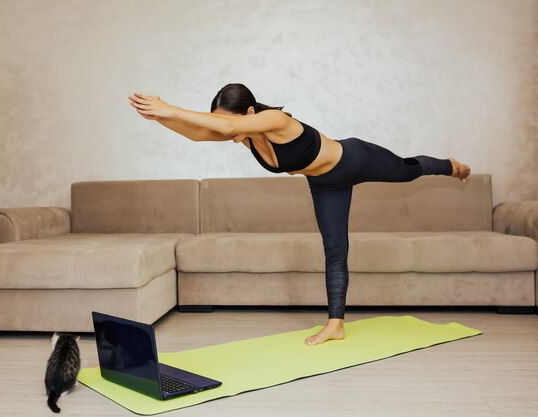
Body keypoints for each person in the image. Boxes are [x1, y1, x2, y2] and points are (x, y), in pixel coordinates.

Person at [128, 83, 471, 346]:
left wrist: (170, 107)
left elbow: (220, 128)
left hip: (353, 158)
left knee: (407, 171)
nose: (224, 130)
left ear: (249, 112)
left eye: (227, 122)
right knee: (335, 249)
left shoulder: (276, 120)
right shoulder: (246, 135)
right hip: (325, 184)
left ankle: (450, 166)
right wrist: (161, 118)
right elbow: (199, 134)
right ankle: (336, 325)